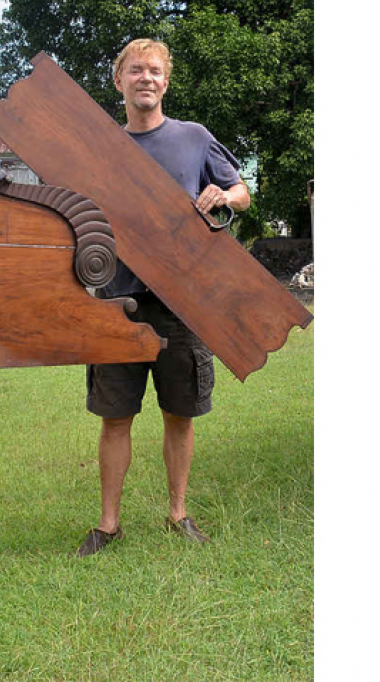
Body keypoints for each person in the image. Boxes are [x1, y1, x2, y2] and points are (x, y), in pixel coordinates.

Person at [73, 38, 250, 558]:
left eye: (154, 71)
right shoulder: (102, 147)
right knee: (115, 416)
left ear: (166, 82)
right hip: (117, 301)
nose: (145, 78)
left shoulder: (193, 139)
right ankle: (108, 525)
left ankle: (178, 513)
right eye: (135, 70)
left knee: (180, 412)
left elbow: (240, 191)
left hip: (183, 301)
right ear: (119, 81)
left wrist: (223, 198)